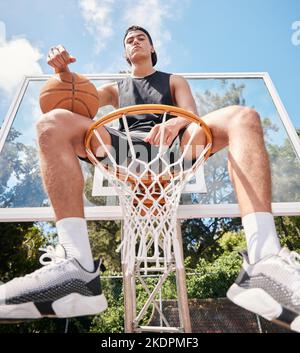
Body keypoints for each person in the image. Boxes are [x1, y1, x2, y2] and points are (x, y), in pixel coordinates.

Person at [0, 25, 299, 332]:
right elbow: (84, 97)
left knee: (243, 117)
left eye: (141, 38)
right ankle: (75, 267)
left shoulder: (173, 80)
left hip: (173, 148)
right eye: (129, 40)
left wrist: (176, 122)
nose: (135, 41)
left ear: (152, 48)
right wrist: (64, 74)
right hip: (124, 152)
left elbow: (190, 113)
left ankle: (263, 262)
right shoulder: (116, 88)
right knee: (52, 124)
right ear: (126, 53)